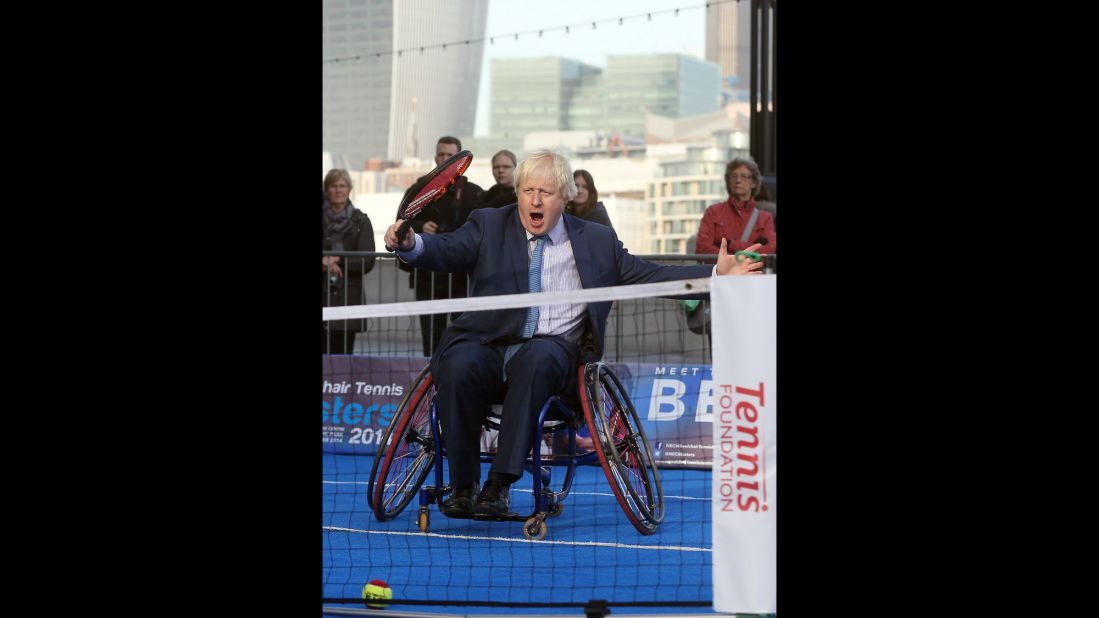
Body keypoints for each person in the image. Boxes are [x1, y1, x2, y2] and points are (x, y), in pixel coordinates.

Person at [384, 150, 763, 518]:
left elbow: (649, 275)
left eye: (545, 193)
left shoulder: (597, 241)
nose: (534, 200)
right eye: (527, 191)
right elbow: (446, 249)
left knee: (537, 357)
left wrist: (715, 277)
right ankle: (463, 487)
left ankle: (499, 484)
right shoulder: (487, 223)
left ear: (564, 197)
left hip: (555, 357)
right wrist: (411, 244)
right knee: (457, 359)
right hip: (490, 344)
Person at [399, 136, 483, 356]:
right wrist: (420, 226)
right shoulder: (419, 189)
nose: (445, 159)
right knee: (431, 342)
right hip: (428, 279)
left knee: (463, 341)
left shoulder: (475, 193)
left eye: (450, 156)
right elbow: (400, 223)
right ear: (435, 156)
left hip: (461, 281)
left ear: (459, 159)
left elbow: (481, 233)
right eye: (441, 154)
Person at [323, 168, 376, 354]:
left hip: (348, 299)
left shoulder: (361, 221)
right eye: (334, 186)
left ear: (349, 190)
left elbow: (367, 261)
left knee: (343, 360)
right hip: (324, 295)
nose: (338, 190)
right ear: (326, 190)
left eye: (343, 186)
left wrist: (339, 260)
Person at [695, 156, 777, 257]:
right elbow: (702, 248)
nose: (738, 180)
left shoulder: (765, 218)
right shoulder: (713, 212)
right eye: (733, 176)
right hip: (721, 272)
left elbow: (768, 250)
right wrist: (747, 250)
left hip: (751, 272)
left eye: (744, 176)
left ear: (754, 183)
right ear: (728, 182)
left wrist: (731, 245)